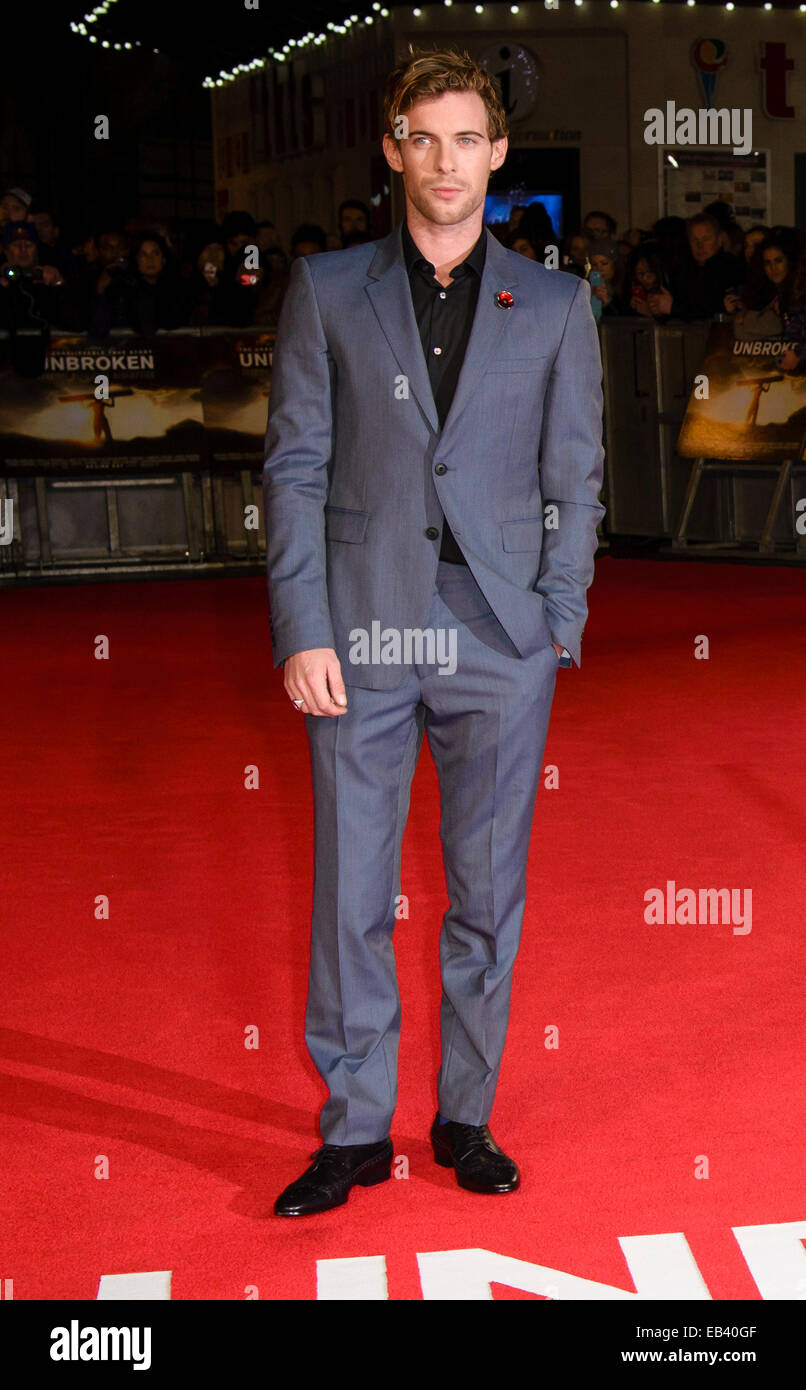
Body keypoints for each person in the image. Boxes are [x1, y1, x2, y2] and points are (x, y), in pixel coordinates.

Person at [264, 45, 605, 1218]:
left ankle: (464, 1115)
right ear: (392, 147)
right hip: (359, 633)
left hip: (499, 641)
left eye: (468, 139)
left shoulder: (558, 303)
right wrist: (301, 624)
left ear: (497, 153)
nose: (446, 160)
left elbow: (578, 475)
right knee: (349, 887)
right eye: (425, 137)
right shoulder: (325, 289)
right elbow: (295, 467)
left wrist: (557, 618)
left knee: (484, 892)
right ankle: (354, 1129)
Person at [647, 212, 742, 322]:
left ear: (720, 239)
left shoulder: (730, 267)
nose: (700, 246)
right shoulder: (683, 269)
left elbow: (714, 307)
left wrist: (673, 308)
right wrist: (659, 309)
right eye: (695, 240)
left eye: (706, 239)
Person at [0, 220, 80, 332]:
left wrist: (59, 285)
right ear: (6, 251)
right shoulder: (3, 281)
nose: (23, 250)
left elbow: (75, 324)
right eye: (17, 245)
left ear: (36, 251)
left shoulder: (47, 279)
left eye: (29, 245)